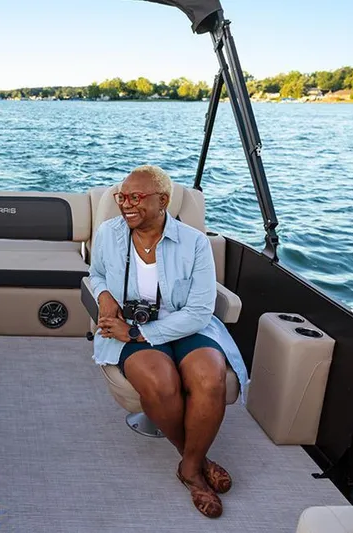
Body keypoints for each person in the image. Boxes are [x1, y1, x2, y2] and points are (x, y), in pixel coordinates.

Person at [89, 165, 248, 519]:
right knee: (160, 382)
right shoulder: (108, 233)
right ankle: (196, 465)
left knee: (211, 378)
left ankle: (189, 466)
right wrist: (103, 295)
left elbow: (200, 310)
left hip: (185, 327)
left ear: (163, 201)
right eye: (121, 197)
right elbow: (95, 273)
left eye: (135, 197)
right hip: (129, 326)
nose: (125, 205)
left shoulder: (194, 242)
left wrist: (138, 334)